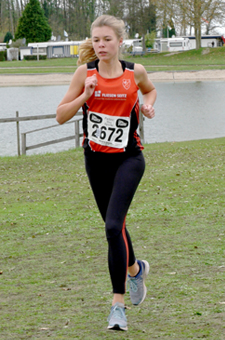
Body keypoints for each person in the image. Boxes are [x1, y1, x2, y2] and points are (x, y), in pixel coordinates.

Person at [56, 14, 157, 331]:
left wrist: (148, 105)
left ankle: (118, 307)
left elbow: (150, 90)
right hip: (96, 161)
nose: (101, 45)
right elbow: (60, 115)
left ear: (119, 42)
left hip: (129, 159)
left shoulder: (133, 72)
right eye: (96, 40)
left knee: (113, 227)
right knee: (116, 227)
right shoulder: (84, 74)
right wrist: (84, 96)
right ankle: (135, 269)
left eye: (107, 40)